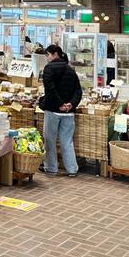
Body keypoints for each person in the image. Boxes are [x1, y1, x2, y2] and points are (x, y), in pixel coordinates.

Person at [40, 44, 82, 177]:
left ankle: (51, 168)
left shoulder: (48, 69)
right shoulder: (71, 70)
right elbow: (78, 91)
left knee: (50, 140)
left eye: (48, 55)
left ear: (54, 54)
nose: (47, 57)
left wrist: (60, 104)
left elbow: (50, 89)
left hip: (53, 109)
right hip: (69, 112)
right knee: (67, 141)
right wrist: (70, 104)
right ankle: (71, 169)